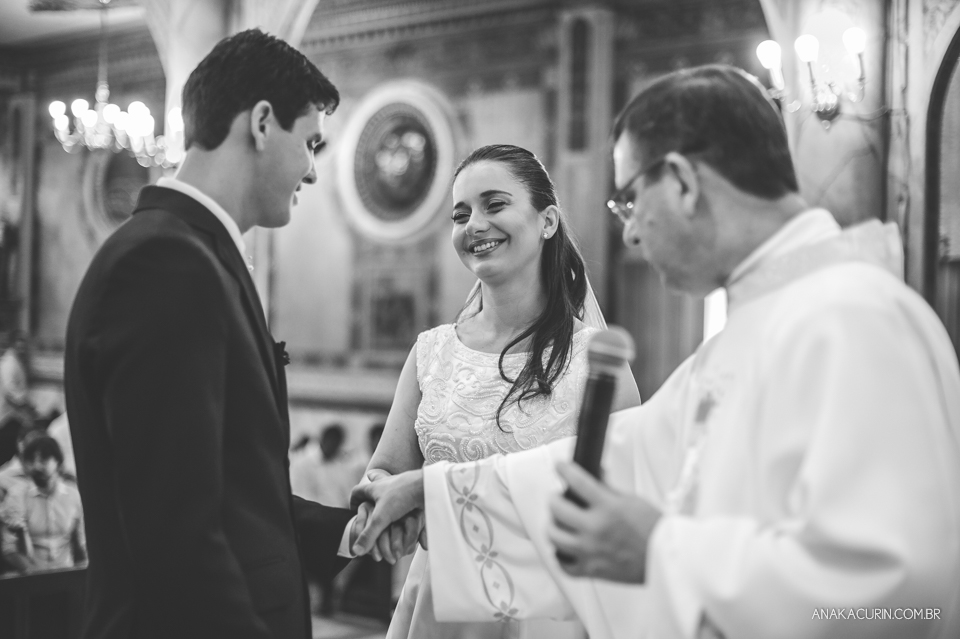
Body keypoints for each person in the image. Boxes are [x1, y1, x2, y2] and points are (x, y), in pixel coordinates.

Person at [350, 65, 960, 639]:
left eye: (632, 201)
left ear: (684, 183)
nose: (633, 232)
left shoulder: (850, 320)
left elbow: (901, 591)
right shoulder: (754, 334)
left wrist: (660, 551)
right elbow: (627, 456)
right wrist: (433, 494)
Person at [64, 29, 359, 639]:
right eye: (309, 143)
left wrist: (354, 529)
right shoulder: (164, 265)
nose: (309, 170)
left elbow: (233, 496)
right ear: (260, 123)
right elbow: (177, 540)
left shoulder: (193, 254)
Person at [359, 144, 640, 639]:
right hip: (438, 606)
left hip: (546, 614)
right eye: (461, 213)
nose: (474, 225)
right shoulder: (432, 351)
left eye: (495, 204)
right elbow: (385, 468)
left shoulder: (594, 360)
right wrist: (389, 505)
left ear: (547, 221)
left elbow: (621, 505)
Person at [0, 434, 85, 574]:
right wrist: (34, 574)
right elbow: (9, 548)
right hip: (30, 578)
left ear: (58, 462)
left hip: (68, 574)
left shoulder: (73, 495)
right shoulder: (17, 496)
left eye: (43, 459)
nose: (36, 466)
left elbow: (82, 543)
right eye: (31, 460)